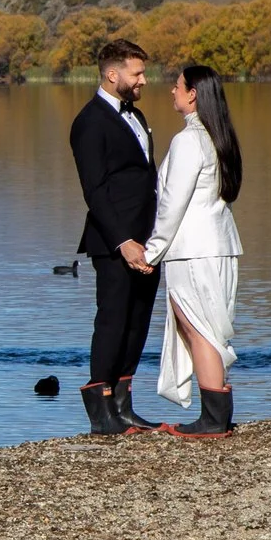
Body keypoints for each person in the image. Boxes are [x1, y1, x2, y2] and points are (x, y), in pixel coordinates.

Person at [68, 39, 163, 435]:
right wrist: (124, 240)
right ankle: (100, 414)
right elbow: (95, 190)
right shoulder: (89, 122)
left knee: (138, 322)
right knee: (113, 321)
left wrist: (155, 237)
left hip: (150, 240)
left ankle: (123, 408)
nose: (143, 80)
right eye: (137, 73)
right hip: (113, 243)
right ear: (113, 74)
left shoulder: (136, 116)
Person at [143, 62, 244, 438]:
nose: (172, 90)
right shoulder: (219, 137)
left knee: (198, 328)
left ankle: (213, 419)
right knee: (206, 328)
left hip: (193, 250)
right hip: (218, 244)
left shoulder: (189, 141)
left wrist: (152, 251)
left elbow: (173, 204)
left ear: (193, 94)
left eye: (177, 85)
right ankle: (216, 414)